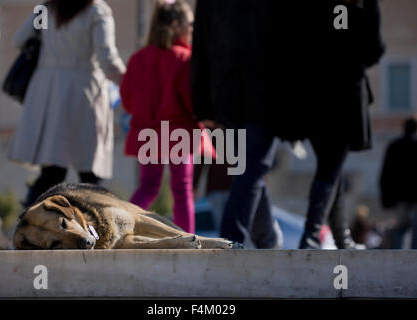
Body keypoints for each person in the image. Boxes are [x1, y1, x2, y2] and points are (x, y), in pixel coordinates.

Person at [192, 0, 385, 249]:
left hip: (262, 97)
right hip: (289, 97)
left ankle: (293, 238)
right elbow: (372, 50)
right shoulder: (360, 7)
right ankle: (252, 238)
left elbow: (201, 50)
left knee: (255, 168)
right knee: (267, 168)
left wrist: (204, 106)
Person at [8, 0, 126, 207]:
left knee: (52, 170)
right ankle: (98, 223)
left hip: (46, 92)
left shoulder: (47, 9)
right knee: (90, 171)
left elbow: (19, 40)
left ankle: (29, 219)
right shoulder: (96, 11)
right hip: (84, 92)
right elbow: (107, 57)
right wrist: (131, 83)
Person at [120, 0, 214, 234]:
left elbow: (128, 102)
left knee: (147, 188)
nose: (193, 28)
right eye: (190, 24)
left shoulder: (138, 58)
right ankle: (187, 242)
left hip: (148, 132)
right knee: (182, 190)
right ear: (176, 25)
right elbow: (192, 101)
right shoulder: (184, 58)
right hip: (179, 132)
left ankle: (118, 226)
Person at [380, 118, 417, 249]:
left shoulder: (394, 146)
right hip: (413, 196)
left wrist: (385, 200)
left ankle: (400, 258)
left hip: (399, 197)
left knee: (400, 228)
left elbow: (385, 174)